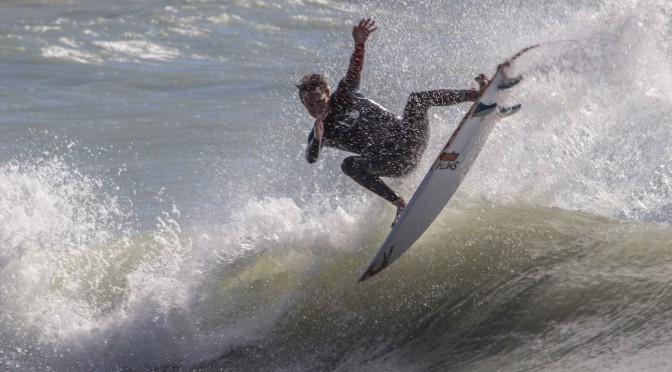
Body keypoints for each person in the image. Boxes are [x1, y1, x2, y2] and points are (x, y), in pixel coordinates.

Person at [297, 18, 489, 226]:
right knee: (349, 164)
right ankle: (399, 203)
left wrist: (360, 44)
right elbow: (311, 158)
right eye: (310, 106)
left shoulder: (344, 94)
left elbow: (354, 70)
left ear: (327, 94)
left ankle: (476, 94)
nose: (316, 109)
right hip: (396, 162)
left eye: (319, 102)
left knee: (417, 100)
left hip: (410, 137)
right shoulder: (321, 131)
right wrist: (317, 138)